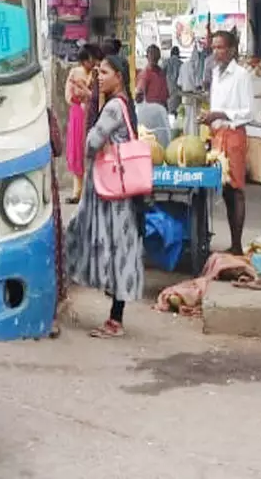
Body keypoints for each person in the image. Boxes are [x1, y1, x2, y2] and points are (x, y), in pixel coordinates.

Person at [65, 53, 145, 339]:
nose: (98, 77)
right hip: (118, 190)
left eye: (104, 73)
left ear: (119, 77)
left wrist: (92, 107)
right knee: (117, 250)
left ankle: (115, 320)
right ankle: (114, 316)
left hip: (111, 192)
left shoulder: (113, 107)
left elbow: (91, 142)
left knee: (110, 248)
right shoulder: (124, 105)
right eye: (97, 72)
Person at [200, 29, 252, 254]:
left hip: (233, 135)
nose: (216, 52)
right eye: (213, 48)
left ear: (231, 50)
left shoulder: (241, 75)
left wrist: (220, 115)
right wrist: (209, 117)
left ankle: (238, 245)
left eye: (220, 47)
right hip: (217, 136)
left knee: (236, 189)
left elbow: (248, 112)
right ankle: (233, 243)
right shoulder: (216, 73)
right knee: (225, 191)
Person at [64, 44, 102, 202]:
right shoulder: (77, 73)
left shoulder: (96, 73)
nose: (92, 62)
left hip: (85, 112)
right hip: (80, 113)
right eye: (90, 59)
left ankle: (84, 191)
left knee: (84, 149)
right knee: (79, 149)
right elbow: (71, 95)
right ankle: (78, 192)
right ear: (84, 60)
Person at [164, 46, 183, 113]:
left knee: (167, 114)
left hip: (167, 91)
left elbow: (160, 74)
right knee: (178, 114)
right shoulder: (181, 64)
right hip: (178, 92)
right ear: (178, 54)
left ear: (171, 53)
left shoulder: (165, 62)